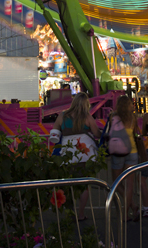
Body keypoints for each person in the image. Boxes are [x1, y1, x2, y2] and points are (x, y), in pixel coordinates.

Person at [49, 92, 100, 221]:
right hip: (85, 156)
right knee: (84, 185)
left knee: (68, 184)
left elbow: (55, 133)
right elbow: (97, 133)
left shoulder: (62, 116)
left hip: (67, 156)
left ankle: (69, 213)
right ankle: (81, 214)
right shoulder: (87, 117)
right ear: (86, 104)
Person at [106, 95, 143, 221]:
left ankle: (131, 207)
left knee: (116, 181)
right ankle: (129, 210)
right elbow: (136, 132)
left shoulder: (113, 117)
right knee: (129, 184)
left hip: (117, 150)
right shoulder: (133, 118)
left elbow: (109, 131)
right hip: (131, 150)